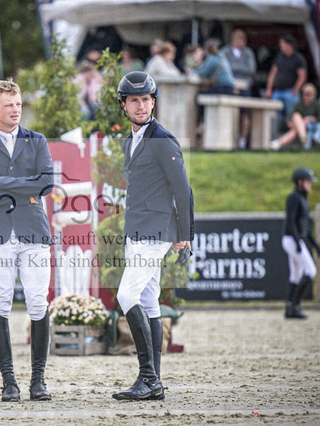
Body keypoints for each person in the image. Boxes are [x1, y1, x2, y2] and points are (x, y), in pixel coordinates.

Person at [0, 78, 54, 402]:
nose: (16, 110)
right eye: (9, 105)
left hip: (33, 231)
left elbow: (46, 184)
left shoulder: (37, 141)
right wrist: (24, 187)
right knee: (0, 302)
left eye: (18, 104)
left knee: (38, 302)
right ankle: (9, 382)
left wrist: (1, 182)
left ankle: (38, 381)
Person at [111, 71, 193, 402]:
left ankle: (148, 378)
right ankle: (154, 383)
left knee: (126, 295)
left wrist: (185, 234)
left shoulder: (163, 139)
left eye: (146, 99)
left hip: (156, 231)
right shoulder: (130, 141)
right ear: (124, 105)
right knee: (148, 301)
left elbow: (183, 190)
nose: (141, 106)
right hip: (137, 228)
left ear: (153, 102)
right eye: (134, 100)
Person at [282, 167, 320, 319]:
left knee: (296, 274)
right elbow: (291, 220)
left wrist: (314, 244)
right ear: (300, 182)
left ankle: (289, 307)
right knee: (310, 271)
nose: (310, 184)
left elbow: (305, 224)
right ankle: (295, 306)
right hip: (292, 239)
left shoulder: (303, 199)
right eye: (308, 181)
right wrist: (297, 240)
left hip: (296, 239)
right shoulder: (293, 197)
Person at [221, 29, 257, 148]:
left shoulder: (248, 53)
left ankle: (242, 141)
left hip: (245, 86)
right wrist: (241, 68)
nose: (239, 42)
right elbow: (223, 67)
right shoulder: (225, 51)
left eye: (241, 40)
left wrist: (234, 67)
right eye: (237, 40)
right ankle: (229, 139)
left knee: (245, 115)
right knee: (229, 113)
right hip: (230, 86)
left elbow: (251, 69)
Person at [271, 84, 320, 150]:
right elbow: (290, 116)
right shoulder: (299, 103)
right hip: (301, 126)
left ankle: (278, 143)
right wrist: (291, 123)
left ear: (313, 95)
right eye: (305, 94)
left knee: (295, 130)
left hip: (312, 126)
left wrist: (311, 119)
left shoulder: (317, 104)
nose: (307, 96)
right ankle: (303, 136)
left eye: (309, 94)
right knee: (296, 115)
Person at [264, 35, 307, 117]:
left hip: (290, 91)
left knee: (291, 114)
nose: (281, 47)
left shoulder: (298, 59)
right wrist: (269, 89)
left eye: (283, 44)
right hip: (277, 91)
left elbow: (302, 76)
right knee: (274, 114)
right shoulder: (280, 57)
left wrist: (296, 89)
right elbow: (273, 73)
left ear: (289, 45)